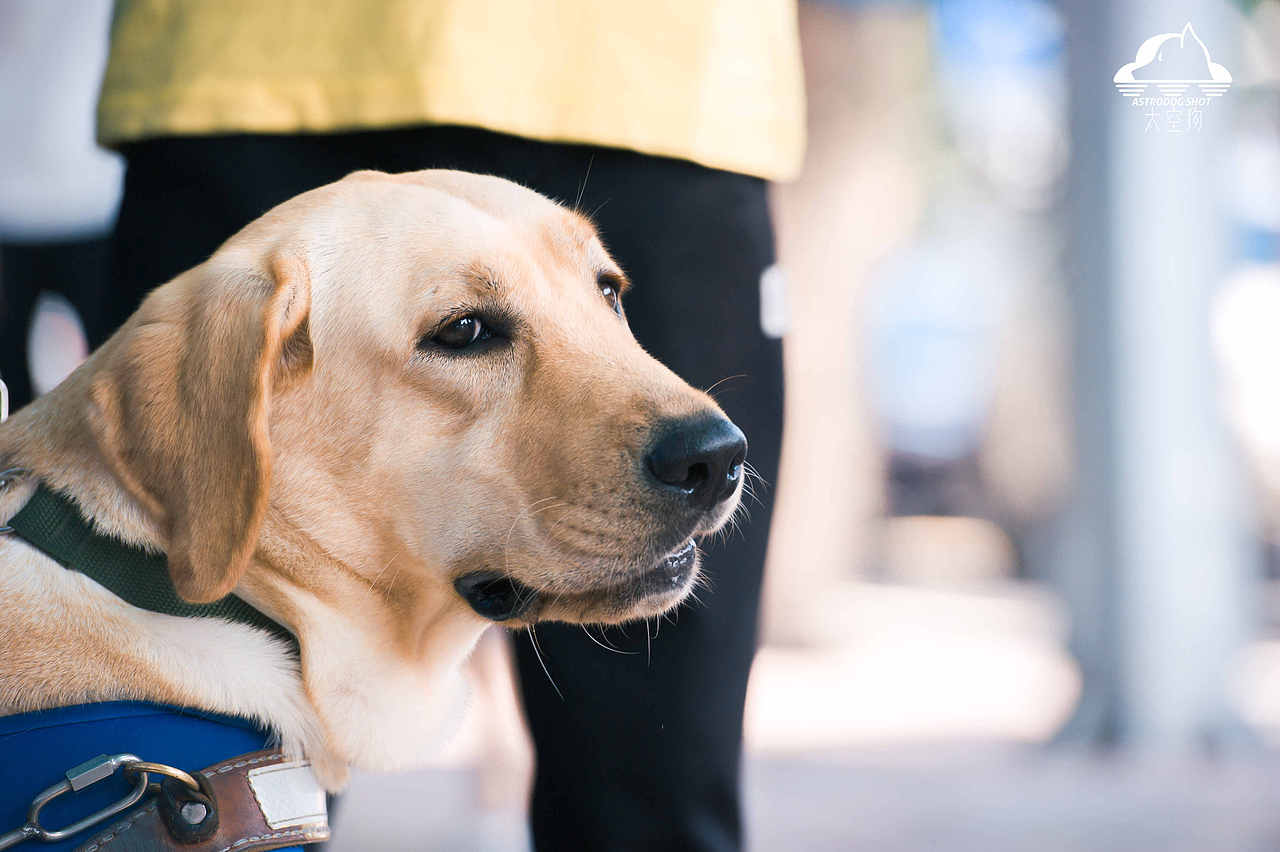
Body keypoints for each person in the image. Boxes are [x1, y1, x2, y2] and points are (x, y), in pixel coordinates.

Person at [96, 3, 804, 849]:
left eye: (606, 290)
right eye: (468, 331)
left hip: (638, 79)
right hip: (246, 68)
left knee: (654, 798)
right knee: (176, 805)